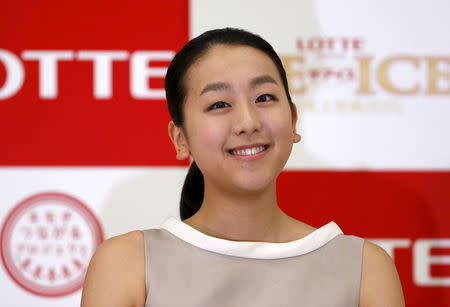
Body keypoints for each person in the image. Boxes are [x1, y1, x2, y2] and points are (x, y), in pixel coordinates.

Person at [81, 28, 405, 306]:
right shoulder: (127, 264)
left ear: (292, 119)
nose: (247, 122)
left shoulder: (364, 268)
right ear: (180, 139)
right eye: (219, 104)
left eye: (264, 98)